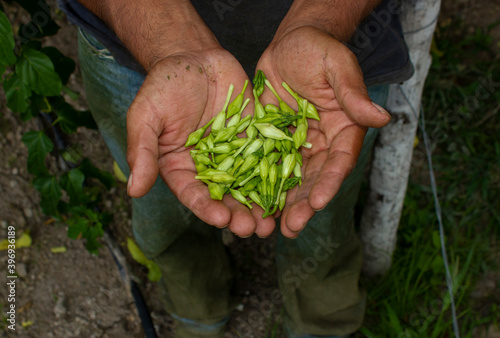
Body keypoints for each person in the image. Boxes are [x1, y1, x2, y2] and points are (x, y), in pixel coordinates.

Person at [59, 0, 413, 336]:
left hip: (334, 62)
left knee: (324, 210)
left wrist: (320, 21)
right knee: (165, 213)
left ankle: (321, 321)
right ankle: (197, 311)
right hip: (137, 45)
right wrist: (171, 41)